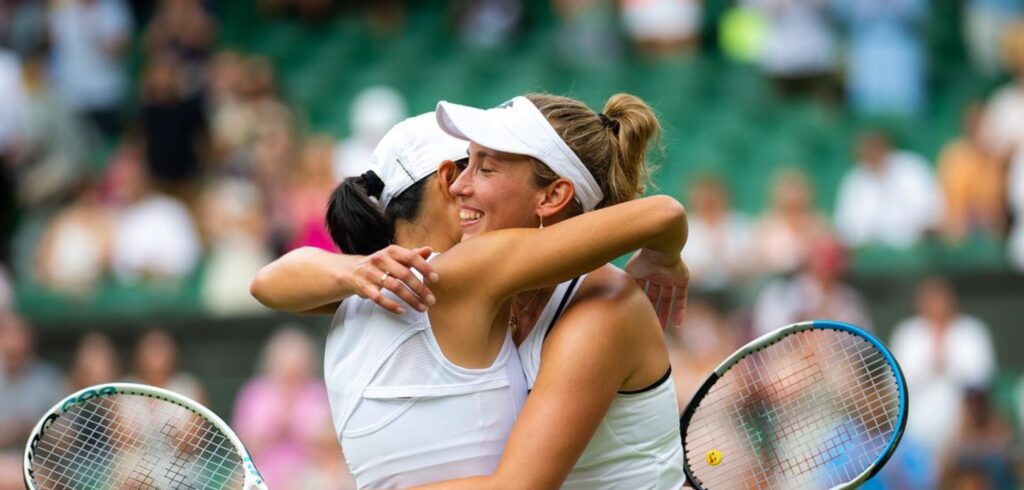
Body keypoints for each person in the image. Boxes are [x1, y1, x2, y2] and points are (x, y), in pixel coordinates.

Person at [252, 94, 689, 488]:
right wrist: (354, 270)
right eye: (467, 162)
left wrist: (666, 250)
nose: (460, 186)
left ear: (552, 195)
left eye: (485, 167)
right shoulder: (476, 296)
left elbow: (516, 487)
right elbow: (271, 282)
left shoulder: (603, 308)